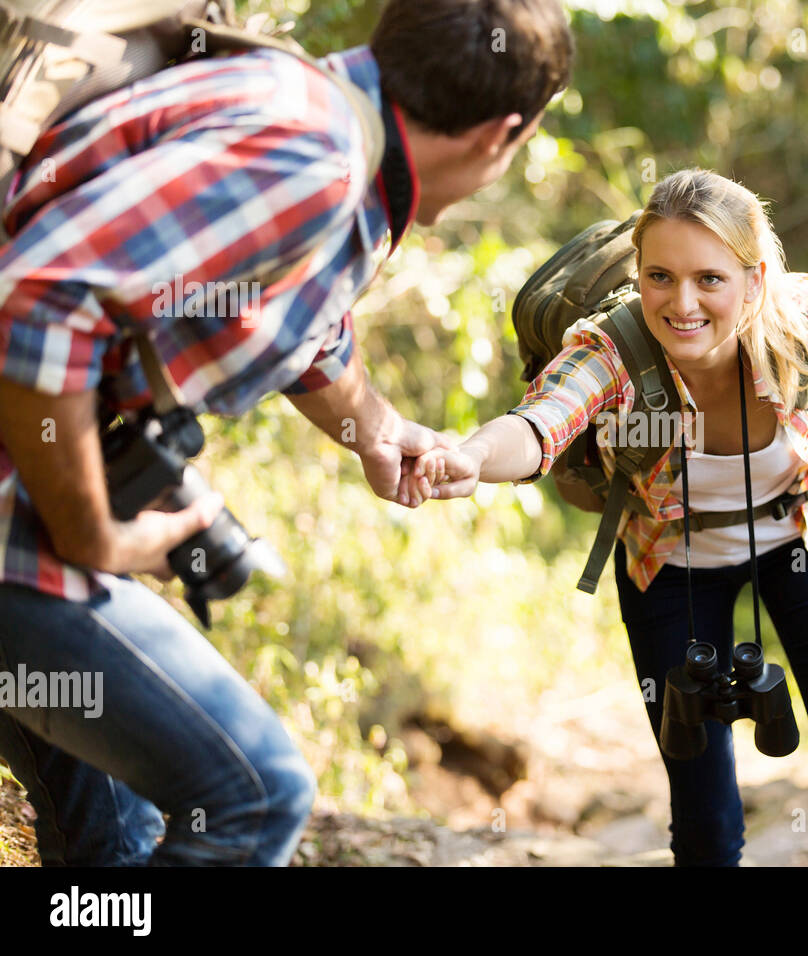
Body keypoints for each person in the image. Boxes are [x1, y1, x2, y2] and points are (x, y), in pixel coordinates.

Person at [0, 0, 572, 865]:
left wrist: (375, 427)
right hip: (20, 518)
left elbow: (270, 308)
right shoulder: (312, 156)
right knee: (254, 796)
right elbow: (41, 299)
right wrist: (95, 535)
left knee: (116, 840)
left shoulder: (309, 112)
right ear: (504, 133)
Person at [403, 168, 808, 866]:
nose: (681, 303)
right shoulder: (612, 345)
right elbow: (541, 423)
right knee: (704, 809)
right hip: (668, 553)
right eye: (659, 276)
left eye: (709, 280)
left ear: (753, 279)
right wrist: (472, 456)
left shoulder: (803, 317)